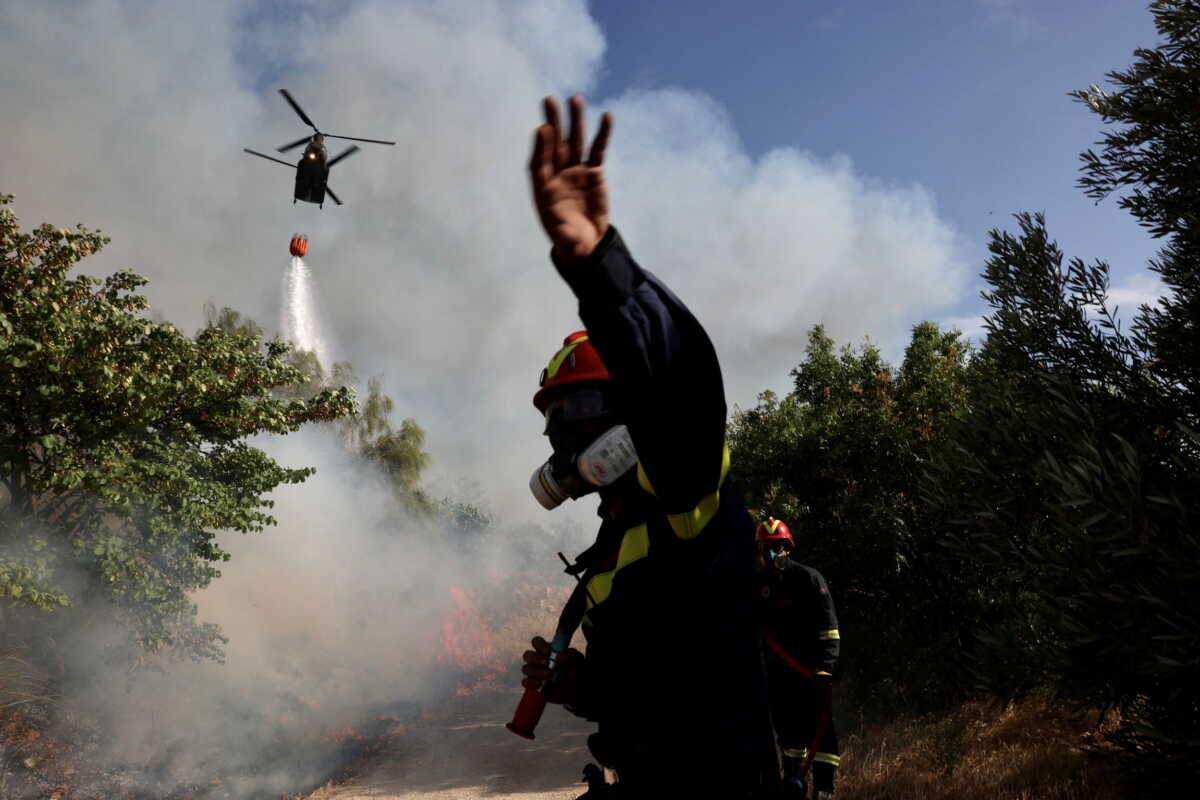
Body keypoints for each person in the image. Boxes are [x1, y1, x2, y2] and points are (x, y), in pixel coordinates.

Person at [517, 95, 778, 798]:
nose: (563, 434)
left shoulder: (684, 488)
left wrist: (600, 268)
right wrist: (580, 685)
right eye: (554, 419)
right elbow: (651, 683)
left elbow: (680, 379)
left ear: (626, 407)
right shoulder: (615, 541)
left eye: (577, 411)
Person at [757, 517, 842, 799]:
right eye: (766, 548)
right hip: (779, 678)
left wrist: (825, 669)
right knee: (788, 737)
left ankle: (824, 790)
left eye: (777, 547)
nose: (772, 554)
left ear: (788, 548)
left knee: (822, 737)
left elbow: (829, 629)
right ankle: (794, 784)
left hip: (811, 675)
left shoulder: (808, 579)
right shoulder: (759, 587)